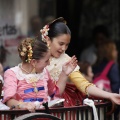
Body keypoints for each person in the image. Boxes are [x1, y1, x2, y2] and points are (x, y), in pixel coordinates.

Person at [40, 17, 120, 106]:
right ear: (48, 39)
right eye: (61, 44)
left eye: (67, 45)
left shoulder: (66, 61)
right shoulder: (35, 57)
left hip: (58, 107)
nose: (64, 49)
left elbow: (84, 84)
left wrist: (109, 95)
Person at [2, 38, 77, 112]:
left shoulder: (44, 72)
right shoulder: (12, 73)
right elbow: (9, 101)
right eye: (46, 61)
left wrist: (64, 74)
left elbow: (54, 94)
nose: (49, 64)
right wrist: (22, 105)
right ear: (34, 62)